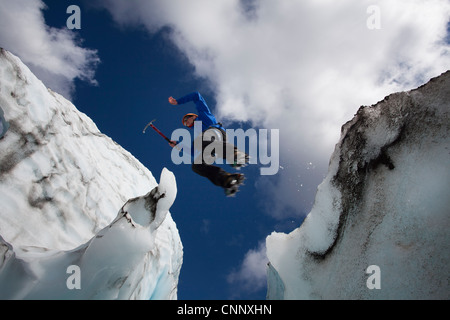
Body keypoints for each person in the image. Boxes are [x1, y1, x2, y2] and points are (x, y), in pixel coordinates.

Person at [168, 92, 248, 191]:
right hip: (209, 144)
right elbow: (193, 152)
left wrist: (178, 101)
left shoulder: (203, 114)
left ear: (193, 116)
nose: (186, 122)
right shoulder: (198, 133)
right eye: (185, 124)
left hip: (217, 133)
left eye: (187, 119)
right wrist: (178, 145)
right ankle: (226, 179)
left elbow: (196, 96)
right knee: (196, 166)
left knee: (199, 141)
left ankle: (234, 154)